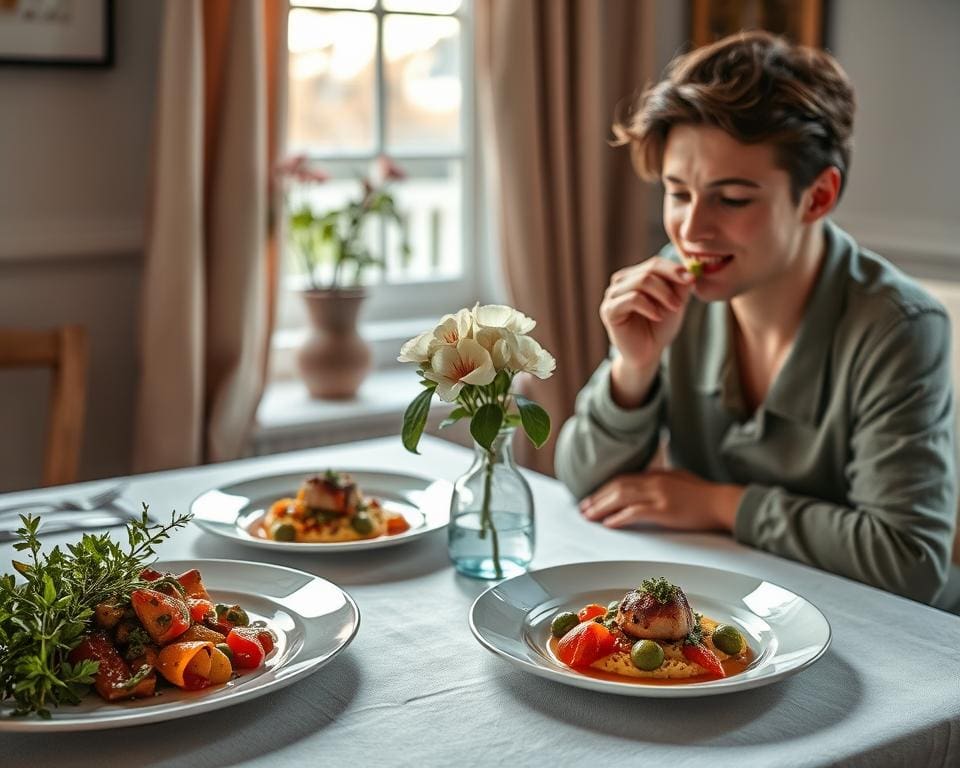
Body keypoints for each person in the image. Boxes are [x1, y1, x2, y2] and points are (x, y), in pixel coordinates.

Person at [554, 30, 957, 606]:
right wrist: (633, 368)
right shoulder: (677, 284)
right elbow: (582, 480)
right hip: (734, 609)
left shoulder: (899, 326)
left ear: (818, 196)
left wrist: (721, 504)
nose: (692, 230)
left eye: (733, 199)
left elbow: (908, 562)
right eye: (678, 193)